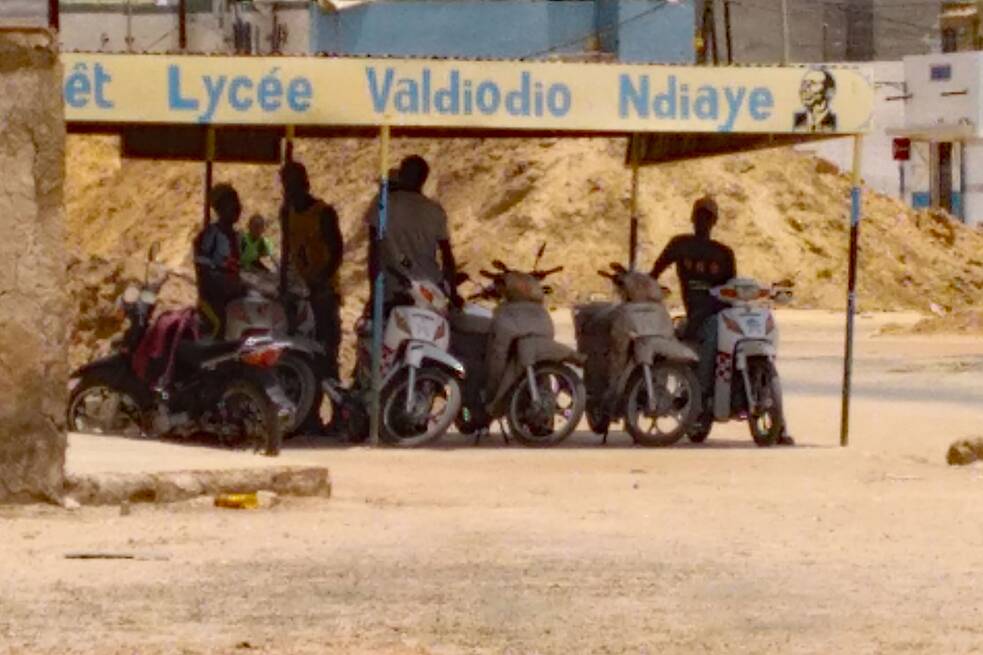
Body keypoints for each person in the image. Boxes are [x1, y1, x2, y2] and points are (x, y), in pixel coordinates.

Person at [650, 195, 793, 445]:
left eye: (708, 216)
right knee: (712, 340)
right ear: (693, 218)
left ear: (714, 221)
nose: (703, 221)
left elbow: (732, 286)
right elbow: (654, 273)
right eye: (701, 216)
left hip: (724, 313)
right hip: (699, 316)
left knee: (751, 333)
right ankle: (701, 401)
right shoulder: (680, 245)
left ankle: (775, 420)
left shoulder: (724, 253)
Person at [363, 155, 462, 312]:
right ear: (424, 179)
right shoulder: (435, 211)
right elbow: (447, 257)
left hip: (394, 292)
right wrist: (453, 293)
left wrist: (374, 295)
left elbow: (375, 252)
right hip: (430, 291)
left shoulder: (383, 205)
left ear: (401, 175)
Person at [279, 161, 344, 382]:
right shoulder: (286, 212)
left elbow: (337, 252)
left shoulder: (323, 213)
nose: (290, 191)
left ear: (305, 184)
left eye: (294, 185)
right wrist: (285, 283)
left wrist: (321, 280)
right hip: (300, 291)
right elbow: (286, 249)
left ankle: (337, 408)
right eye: (286, 185)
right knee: (298, 351)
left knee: (325, 349)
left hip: (322, 292)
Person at [194, 183, 245, 338]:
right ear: (219, 208)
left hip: (235, 299)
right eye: (232, 203)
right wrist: (225, 282)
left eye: (237, 202)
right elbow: (203, 272)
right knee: (222, 327)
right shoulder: (209, 236)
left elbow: (251, 265)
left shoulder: (238, 237)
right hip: (213, 302)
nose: (237, 207)